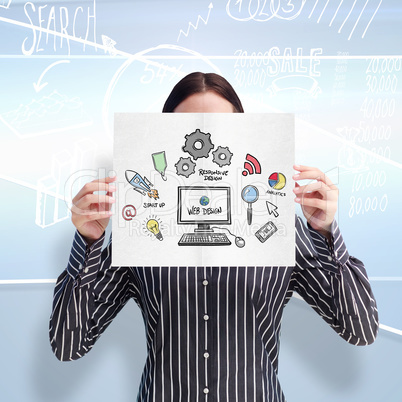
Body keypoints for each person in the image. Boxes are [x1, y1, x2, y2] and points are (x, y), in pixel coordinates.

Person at [49, 72, 379, 401]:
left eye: (220, 130)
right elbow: (68, 344)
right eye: (186, 130)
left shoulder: (278, 228)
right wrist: (87, 243)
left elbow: (360, 329)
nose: (202, 144)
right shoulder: (140, 231)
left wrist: (324, 232)